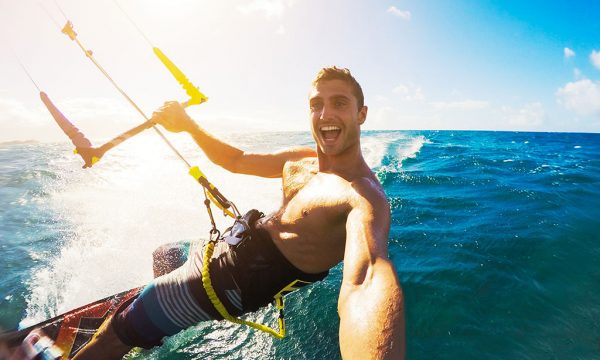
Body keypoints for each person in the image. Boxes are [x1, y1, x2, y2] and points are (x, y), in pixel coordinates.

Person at [74, 66, 405, 359]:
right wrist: (188, 125)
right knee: (164, 254)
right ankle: (152, 319)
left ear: (361, 114)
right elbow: (236, 159)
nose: (324, 114)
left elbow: (367, 280)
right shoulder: (302, 160)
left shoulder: (361, 195)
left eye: (339, 103)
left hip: (224, 285)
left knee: (111, 335)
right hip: (221, 250)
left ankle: (138, 324)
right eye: (316, 104)